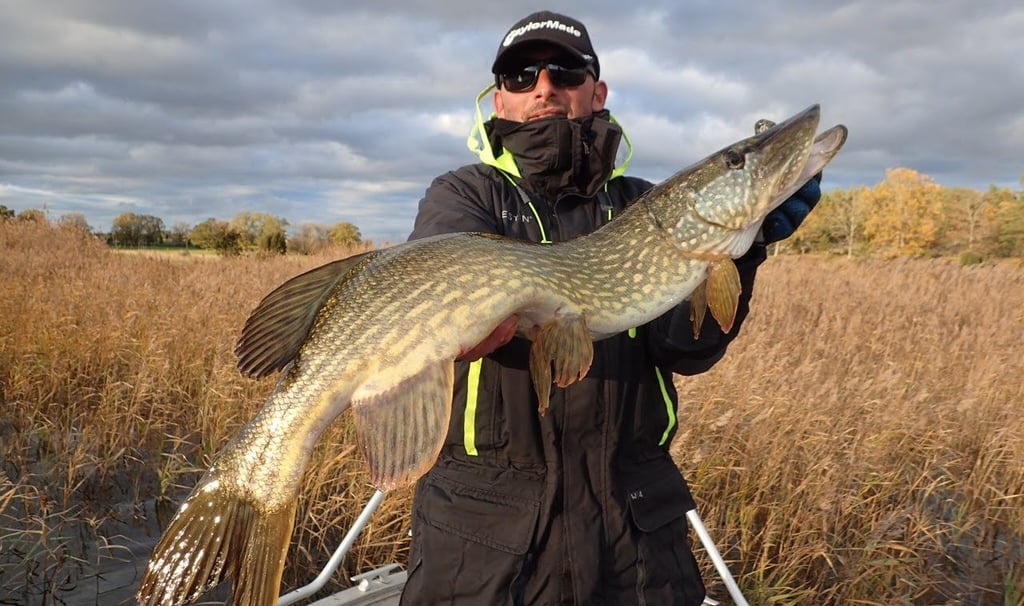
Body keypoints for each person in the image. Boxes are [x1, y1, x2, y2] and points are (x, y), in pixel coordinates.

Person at [400, 10, 821, 606]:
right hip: (484, 540)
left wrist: (745, 251)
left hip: (634, 538)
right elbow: (442, 297)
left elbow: (688, 350)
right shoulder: (466, 195)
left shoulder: (642, 206)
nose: (544, 88)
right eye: (522, 76)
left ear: (597, 93)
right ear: (500, 101)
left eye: (565, 72)